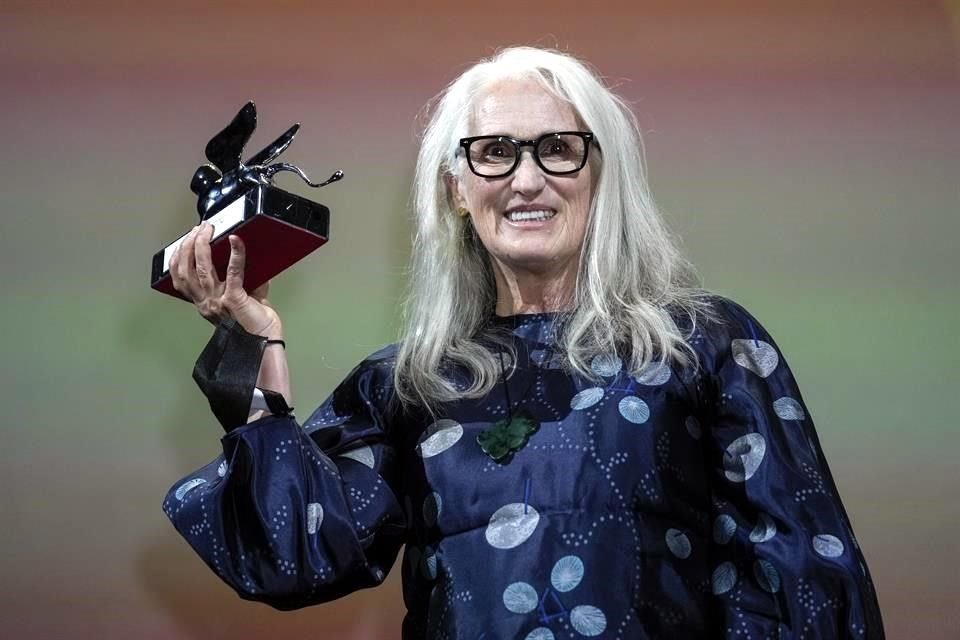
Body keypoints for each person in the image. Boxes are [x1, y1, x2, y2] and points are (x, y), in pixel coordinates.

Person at [164, 46, 885, 638]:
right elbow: (298, 555)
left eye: (559, 149)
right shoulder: (408, 384)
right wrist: (257, 350)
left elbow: (803, 580)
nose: (527, 179)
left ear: (601, 174)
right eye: (496, 152)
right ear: (455, 186)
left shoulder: (701, 346)